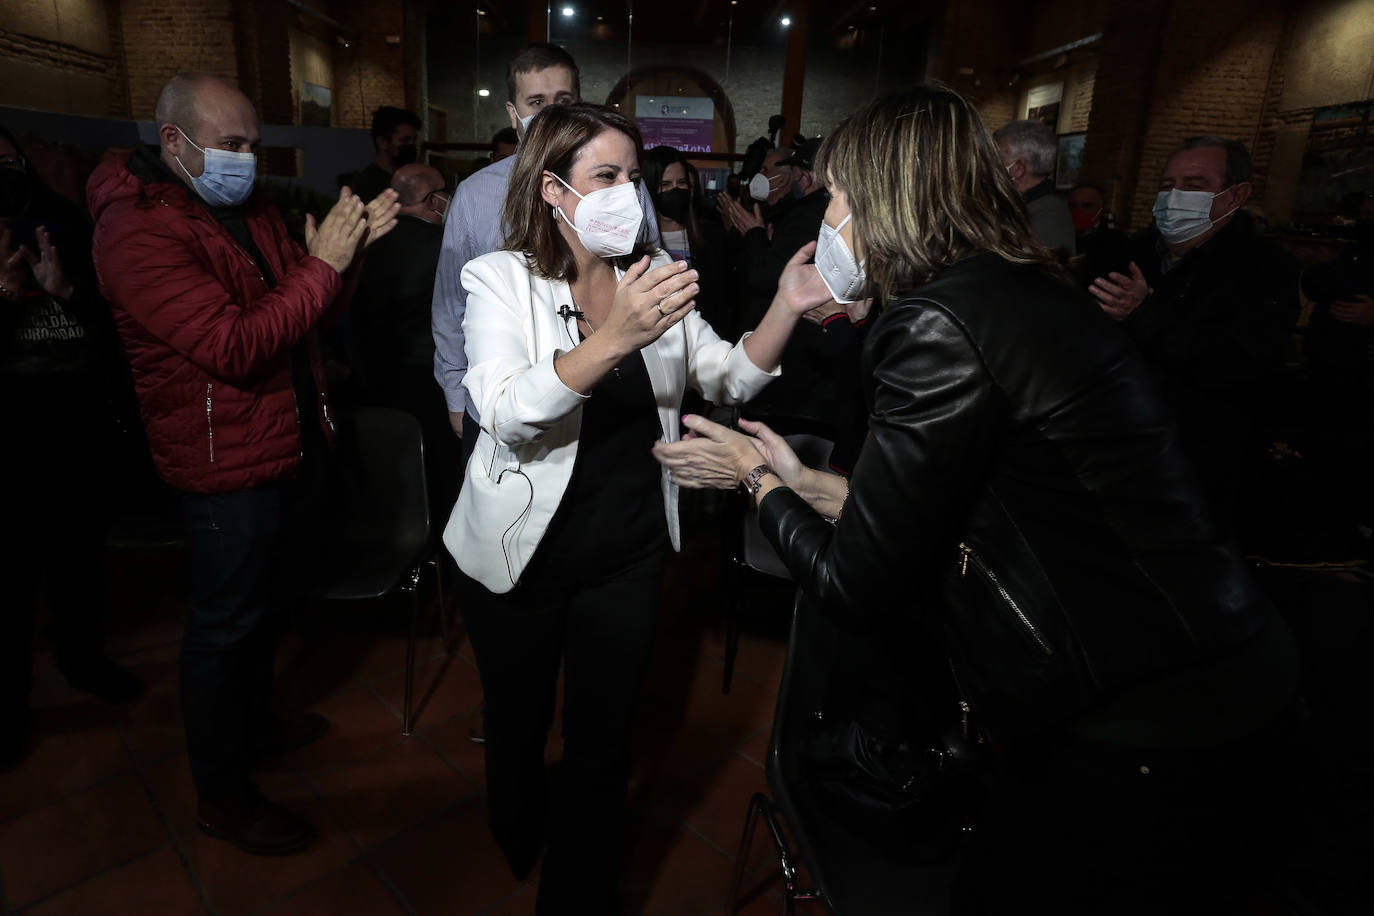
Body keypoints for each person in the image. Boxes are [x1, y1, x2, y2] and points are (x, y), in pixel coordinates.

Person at [654, 86, 1300, 914]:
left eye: (840, 198)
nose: (827, 222)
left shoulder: (939, 321)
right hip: (1202, 671)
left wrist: (755, 476)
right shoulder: (1010, 285)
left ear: (890, 198)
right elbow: (964, 505)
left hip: (1145, 710)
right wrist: (811, 483)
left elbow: (859, 582)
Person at [445, 102, 830, 912]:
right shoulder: (500, 279)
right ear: (554, 190)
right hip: (519, 555)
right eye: (606, 177)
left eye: (634, 177)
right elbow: (505, 408)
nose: (631, 193)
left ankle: (576, 895)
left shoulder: (648, 278)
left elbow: (726, 375)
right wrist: (614, 337)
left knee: (603, 741)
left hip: (626, 553)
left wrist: (787, 308)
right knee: (516, 725)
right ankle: (515, 829)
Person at [87, 73, 399, 855]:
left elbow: (307, 305)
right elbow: (234, 345)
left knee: (268, 606)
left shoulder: (245, 207)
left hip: (287, 438)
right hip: (224, 459)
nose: (248, 160)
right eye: (231, 146)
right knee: (223, 626)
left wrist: (347, 255)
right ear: (173, 142)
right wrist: (324, 265)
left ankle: (256, 726)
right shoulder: (135, 231)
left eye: (254, 145)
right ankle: (221, 794)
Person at [430, 42, 660, 454]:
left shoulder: (623, 187)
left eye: (563, 100)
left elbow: (647, 274)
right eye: (536, 101)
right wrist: (454, 394)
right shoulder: (475, 194)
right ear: (512, 112)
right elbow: (451, 305)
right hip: (504, 403)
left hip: (610, 394)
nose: (550, 111)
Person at [1, 125, 145, 769]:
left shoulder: (64, 223)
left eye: (9, 161)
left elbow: (114, 318)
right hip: (7, 437)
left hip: (76, 424)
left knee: (79, 555)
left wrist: (68, 296)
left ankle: (83, 658)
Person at [1088, 136, 1299, 534]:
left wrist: (1144, 316)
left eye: (1195, 184)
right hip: (1115, 450)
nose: (1175, 196)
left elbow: (1241, 365)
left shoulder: (1265, 269)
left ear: (1236, 194)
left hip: (1199, 462)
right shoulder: (1130, 254)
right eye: (1168, 185)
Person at [351, 163, 458, 522]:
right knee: (438, 487)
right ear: (432, 200)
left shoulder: (363, 245)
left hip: (373, 386)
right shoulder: (443, 247)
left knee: (391, 492)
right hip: (430, 388)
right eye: (446, 192)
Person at [642, 145, 731, 336]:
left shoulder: (710, 234)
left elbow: (723, 299)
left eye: (681, 183)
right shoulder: (637, 245)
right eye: (665, 185)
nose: (675, 191)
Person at [994, 118, 1075, 258]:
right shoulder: (1022, 205)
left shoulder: (1048, 213)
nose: (989, 168)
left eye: (995, 160)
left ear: (1017, 169)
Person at [350, 105, 421, 202]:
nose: (411, 145)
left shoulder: (409, 180)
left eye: (414, 140)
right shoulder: (367, 185)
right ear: (383, 143)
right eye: (405, 140)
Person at [1066, 181, 1129, 287]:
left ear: (1101, 209)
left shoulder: (1117, 242)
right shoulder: (1057, 235)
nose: (1078, 211)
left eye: (1087, 206)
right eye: (1073, 205)